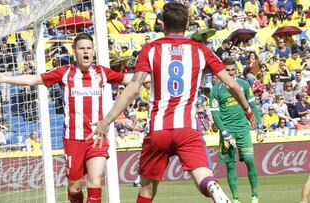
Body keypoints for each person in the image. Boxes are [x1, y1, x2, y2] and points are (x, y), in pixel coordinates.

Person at [90, 3, 258, 203]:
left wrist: (106, 121)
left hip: (158, 129)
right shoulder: (200, 51)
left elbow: (134, 87)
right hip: (187, 128)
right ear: (187, 23)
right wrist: (248, 111)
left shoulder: (150, 50)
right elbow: (233, 86)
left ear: (162, 23)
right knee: (203, 176)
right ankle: (212, 187)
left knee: (146, 190)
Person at [0, 33, 136, 203]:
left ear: (93, 52)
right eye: (82, 48)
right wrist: (4, 78)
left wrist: (154, 75)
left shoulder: (101, 73)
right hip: (73, 139)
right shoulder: (65, 73)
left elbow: (128, 79)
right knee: (74, 188)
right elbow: (33, 80)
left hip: (96, 136)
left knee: (95, 181)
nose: (86, 51)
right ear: (74, 51)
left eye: (89, 48)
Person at [209, 58, 263, 203]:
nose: (231, 73)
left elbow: (253, 106)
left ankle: (254, 196)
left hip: (243, 129)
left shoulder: (244, 85)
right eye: (228, 70)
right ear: (222, 72)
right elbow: (216, 115)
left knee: (250, 160)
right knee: (231, 165)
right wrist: (225, 133)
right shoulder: (215, 90)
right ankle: (236, 198)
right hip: (227, 132)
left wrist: (260, 126)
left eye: (233, 70)